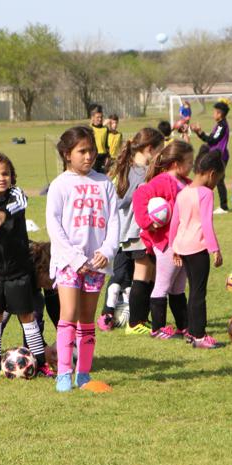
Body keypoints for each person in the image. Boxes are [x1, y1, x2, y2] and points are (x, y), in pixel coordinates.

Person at [45, 126, 119, 393]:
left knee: (87, 319)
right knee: (68, 315)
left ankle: (83, 373)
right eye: (82, 151)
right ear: (67, 154)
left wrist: (107, 251)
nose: (88, 157)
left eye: (92, 151)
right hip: (68, 263)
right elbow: (54, 225)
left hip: (96, 264)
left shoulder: (104, 184)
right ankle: (64, 372)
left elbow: (113, 222)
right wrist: (75, 258)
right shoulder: (60, 185)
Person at [0, 152, 52, 379]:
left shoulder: (17, 194)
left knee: (27, 315)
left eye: (5, 173)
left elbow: (20, 204)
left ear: (11, 175)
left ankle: (42, 363)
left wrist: (2, 215)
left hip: (17, 269)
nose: (1, 178)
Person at [98, 128, 161, 332]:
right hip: (136, 232)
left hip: (126, 233)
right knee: (142, 276)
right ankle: (136, 322)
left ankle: (125, 316)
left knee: (131, 275)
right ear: (150, 149)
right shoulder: (140, 172)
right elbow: (122, 200)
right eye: (160, 150)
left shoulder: (127, 167)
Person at [131, 140, 194, 338]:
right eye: (189, 162)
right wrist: (148, 222)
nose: (192, 166)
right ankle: (157, 328)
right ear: (176, 163)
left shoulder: (187, 183)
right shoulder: (162, 181)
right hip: (167, 242)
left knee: (178, 287)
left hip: (183, 243)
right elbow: (140, 194)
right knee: (163, 284)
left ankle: (183, 326)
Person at [0, 241, 58, 372]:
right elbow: (22, 308)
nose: (54, 285)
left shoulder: (50, 271)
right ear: (41, 270)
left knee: (36, 306)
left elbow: (54, 308)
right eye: (52, 281)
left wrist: (65, 340)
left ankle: (33, 357)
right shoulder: (26, 268)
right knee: (1, 311)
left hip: (13, 271)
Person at [170, 149, 224, 348]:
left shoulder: (183, 192)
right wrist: (215, 249)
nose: (216, 184)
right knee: (198, 292)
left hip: (183, 247)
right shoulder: (206, 193)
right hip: (198, 248)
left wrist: (173, 247)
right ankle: (200, 336)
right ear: (211, 174)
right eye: (217, 179)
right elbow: (207, 224)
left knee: (193, 290)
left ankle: (192, 333)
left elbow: (175, 223)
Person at [191, 100, 230, 212]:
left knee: (218, 180)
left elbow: (212, 141)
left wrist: (200, 132)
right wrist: (199, 132)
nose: (213, 114)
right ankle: (219, 205)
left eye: (214, 112)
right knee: (213, 180)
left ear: (219, 113)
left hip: (219, 156)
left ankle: (223, 207)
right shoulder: (219, 125)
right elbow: (209, 141)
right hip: (214, 155)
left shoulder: (222, 126)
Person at [89, 104, 112, 173]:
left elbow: (106, 145)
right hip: (94, 157)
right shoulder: (90, 129)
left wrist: (108, 156)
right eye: (97, 117)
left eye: (101, 117)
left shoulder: (105, 129)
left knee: (103, 176)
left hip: (103, 157)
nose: (100, 119)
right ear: (92, 118)